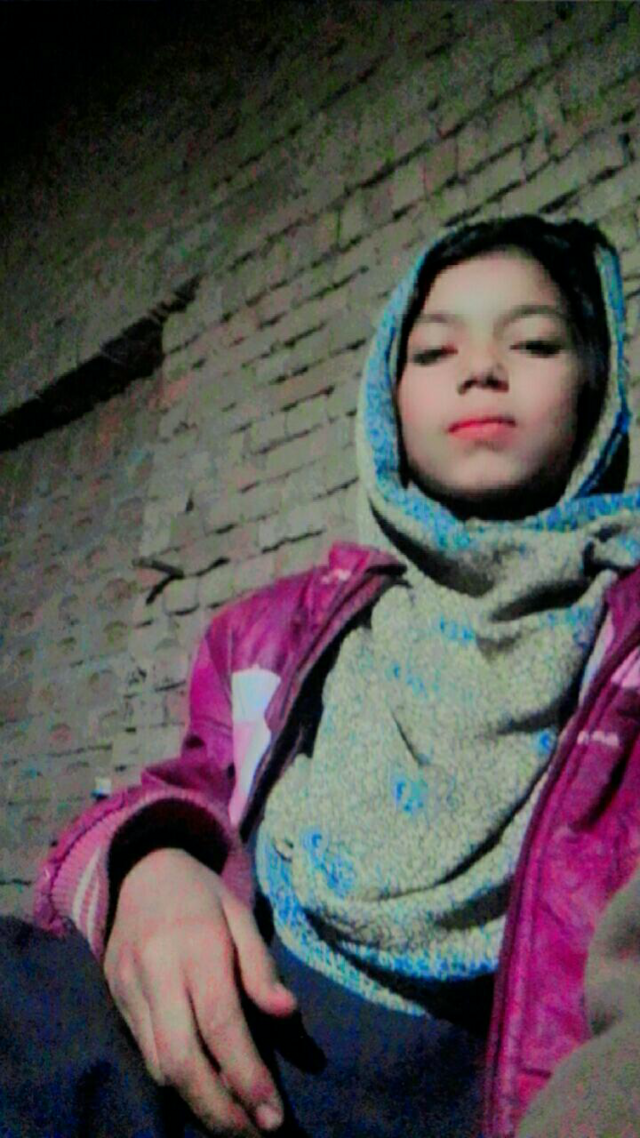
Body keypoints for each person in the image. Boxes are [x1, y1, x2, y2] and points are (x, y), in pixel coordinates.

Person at [8, 213, 640, 1138]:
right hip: (210, 1054)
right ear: (389, 399)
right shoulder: (274, 632)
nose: (481, 369)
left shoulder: (628, 660)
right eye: (435, 350)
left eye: (535, 342)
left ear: (596, 382)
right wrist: (152, 866)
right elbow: (189, 787)